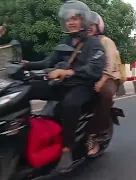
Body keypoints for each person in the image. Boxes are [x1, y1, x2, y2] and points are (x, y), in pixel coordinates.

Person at [22, 0, 106, 172]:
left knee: (70, 104)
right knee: (27, 89)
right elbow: (48, 62)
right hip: (62, 84)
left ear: (83, 20)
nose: (71, 22)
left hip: (82, 86)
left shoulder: (93, 43)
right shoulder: (66, 42)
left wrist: (67, 73)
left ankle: (67, 149)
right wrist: (26, 65)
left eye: (75, 18)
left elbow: (95, 69)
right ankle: (21, 133)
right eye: (68, 19)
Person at [86, 11, 121, 156]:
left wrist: (102, 80)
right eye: (85, 25)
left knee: (104, 94)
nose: (88, 27)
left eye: (91, 25)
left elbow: (110, 64)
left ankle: (97, 135)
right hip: (89, 78)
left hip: (109, 77)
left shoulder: (105, 41)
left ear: (98, 26)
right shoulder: (81, 42)